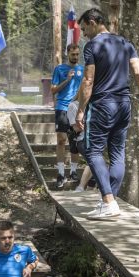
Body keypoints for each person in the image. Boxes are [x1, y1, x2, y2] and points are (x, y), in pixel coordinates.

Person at [74, 8, 139, 219]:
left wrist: (81, 110)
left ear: (93, 22)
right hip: (124, 105)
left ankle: (109, 202)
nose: (83, 34)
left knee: (92, 152)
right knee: (117, 154)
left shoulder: (93, 45)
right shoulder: (126, 43)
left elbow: (89, 81)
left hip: (102, 105)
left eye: (84, 29)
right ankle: (110, 202)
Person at [51, 43, 84, 188]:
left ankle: (73, 171)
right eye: (73, 54)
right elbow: (53, 90)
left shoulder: (82, 70)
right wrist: (67, 80)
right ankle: (60, 173)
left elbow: (85, 89)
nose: (75, 57)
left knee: (75, 141)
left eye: (77, 54)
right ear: (67, 54)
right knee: (61, 140)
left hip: (76, 108)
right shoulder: (59, 69)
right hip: (61, 107)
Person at [66, 100, 98, 193]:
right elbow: (76, 128)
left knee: (98, 163)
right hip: (82, 140)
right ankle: (81, 187)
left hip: (97, 140)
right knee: (94, 160)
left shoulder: (96, 103)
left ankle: (89, 189)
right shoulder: (73, 106)